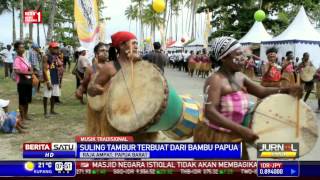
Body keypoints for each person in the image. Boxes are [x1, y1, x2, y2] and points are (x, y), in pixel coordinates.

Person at [194, 37, 303, 160]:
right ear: (224, 58)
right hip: (215, 138)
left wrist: (286, 90)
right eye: (239, 55)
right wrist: (241, 129)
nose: (243, 58)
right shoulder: (215, 80)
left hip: (235, 136)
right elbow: (210, 112)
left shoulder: (240, 77)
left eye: (243, 55)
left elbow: (262, 91)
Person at [87, 31, 158, 141]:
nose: (136, 46)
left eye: (136, 44)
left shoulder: (139, 65)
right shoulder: (110, 67)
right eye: (133, 43)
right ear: (121, 45)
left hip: (137, 116)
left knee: (136, 152)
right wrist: (95, 89)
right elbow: (92, 90)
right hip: (116, 118)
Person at [13, 41, 33, 121]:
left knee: (27, 99)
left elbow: (30, 67)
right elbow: (17, 71)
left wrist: (31, 70)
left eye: (23, 47)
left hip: (28, 81)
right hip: (22, 82)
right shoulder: (17, 59)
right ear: (17, 49)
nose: (22, 49)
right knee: (22, 100)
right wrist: (29, 72)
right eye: (20, 47)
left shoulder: (24, 58)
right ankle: (22, 117)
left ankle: (26, 115)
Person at [42, 42, 61, 117]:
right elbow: (44, 70)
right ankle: (45, 112)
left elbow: (58, 66)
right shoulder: (46, 56)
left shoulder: (56, 56)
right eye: (54, 48)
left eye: (57, 48)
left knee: (54, 95)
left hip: (55, 76)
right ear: (50, 48)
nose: (56, 49)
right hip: (49, 77)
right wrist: (47, 81)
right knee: (47, 95)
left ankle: (52, 110)